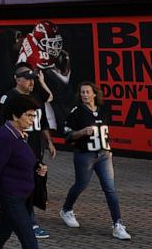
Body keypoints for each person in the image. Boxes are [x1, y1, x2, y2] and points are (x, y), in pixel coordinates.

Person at [59, 82, 131, 240]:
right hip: (85, 155)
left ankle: (118, 224)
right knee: (81, 184)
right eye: (82, 92)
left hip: (104, 155)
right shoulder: (77, 112)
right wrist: (82, 132)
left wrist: (108, 148)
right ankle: (66, 209)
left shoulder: (104, 110)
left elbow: (104, 131)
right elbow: (67, 136)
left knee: (110, 189)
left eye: (87, 92)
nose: (84, 94)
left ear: (94, 94)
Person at [0, 63, 56, 240]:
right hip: (16, 152)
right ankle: (31, 223)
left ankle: (25, 219)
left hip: (34, 149)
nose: (31, 83)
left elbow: (47, 106)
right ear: (17, 79)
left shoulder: (36, 97)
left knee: (34, 183)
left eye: (32, 80)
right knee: (22, 187)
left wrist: (49, 142)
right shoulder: (8, 98)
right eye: (27, 79)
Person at [0, 94, 48, 249]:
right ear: (15, 115)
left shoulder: (20, 134)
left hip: (23, 197)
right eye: (28, 115)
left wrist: (37, 168)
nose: (32, 119)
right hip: (11, 199)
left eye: (33, 116)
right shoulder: (5, 137)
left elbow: (18, 160)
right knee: (30, 243)